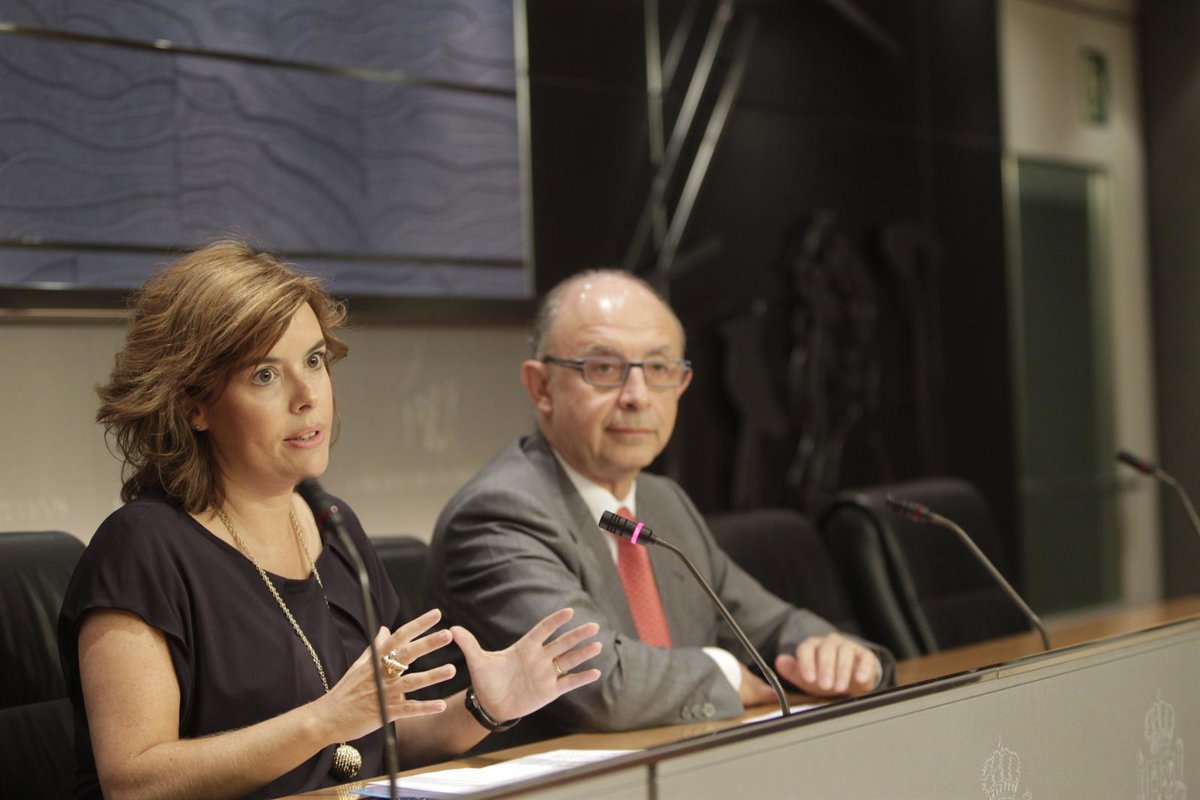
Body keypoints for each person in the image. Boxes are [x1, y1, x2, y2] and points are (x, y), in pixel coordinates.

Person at [57, 241, 602, 800]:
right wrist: (323, 720)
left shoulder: (332, 525)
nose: (307, 397)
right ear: (193, 404)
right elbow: (135, 781)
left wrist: (485, 707)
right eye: (264, 375)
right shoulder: (141, 549)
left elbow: (379, 741)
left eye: (314, 361)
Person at [427, 269, 894, 744]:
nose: (637, 396)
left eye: (659, 369)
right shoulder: (498, 514)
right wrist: (726, 673)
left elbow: (770, 625)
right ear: (541, 388)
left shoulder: (663, 502)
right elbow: (600, 684)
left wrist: (832, 653)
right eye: (603, 369)